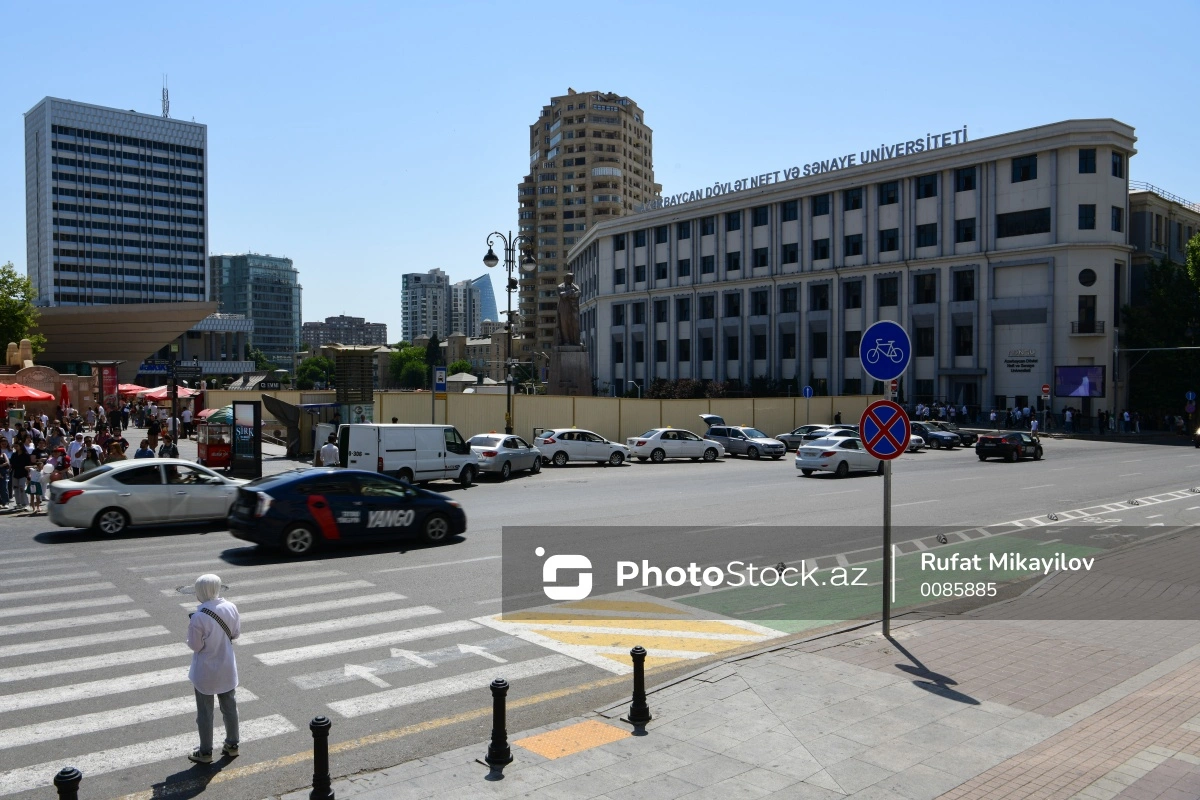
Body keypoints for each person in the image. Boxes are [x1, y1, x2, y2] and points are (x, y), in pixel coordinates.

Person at [186, 574, 240, 764]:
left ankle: (205, 751)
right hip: (226, 667)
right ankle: (232, 745)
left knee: (205, 713)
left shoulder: (199, 617)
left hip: (205, 672)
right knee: (230, 707)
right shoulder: (231, 607)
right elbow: (235, 634)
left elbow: (195, 646)